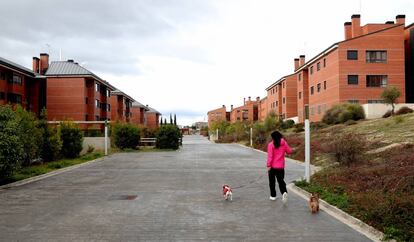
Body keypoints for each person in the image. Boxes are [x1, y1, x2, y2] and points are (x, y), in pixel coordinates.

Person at [267, 130, 292, 202]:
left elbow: (270, 156)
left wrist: (268, 165)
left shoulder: (271, 145)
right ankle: (284, 192)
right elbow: (289, 151)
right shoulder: (284, 143)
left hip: (272, 167)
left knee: (272, 182)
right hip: (280, 167)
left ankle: (273, 196)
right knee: (281, 181)